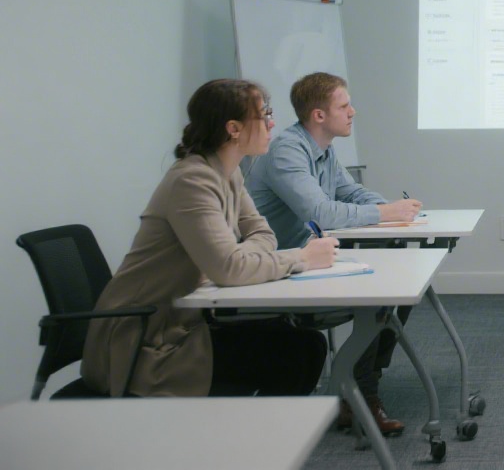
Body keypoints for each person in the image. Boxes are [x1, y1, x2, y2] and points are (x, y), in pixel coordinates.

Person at [82, 79, 339, 397]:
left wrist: (240, 259)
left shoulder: (228, 172)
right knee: (296, 352)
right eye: (264, 114)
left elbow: (261, 234)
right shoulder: (193, 180)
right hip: (145, 341)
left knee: (304, 342)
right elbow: (229, 269)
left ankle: (250, 441)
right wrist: (301, 258)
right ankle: (244, 442)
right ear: (233, 128)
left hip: (184, 324)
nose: (273, 122)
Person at [246, 71, 420, 436]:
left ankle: (360, 387)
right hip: (275, 270)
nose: (353, 111)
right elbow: (322, 213)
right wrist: (386, 214)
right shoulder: (287, 151)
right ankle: (361, 395)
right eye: (344, 105)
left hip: (307, 262)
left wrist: (391, 209)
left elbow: (352, 193)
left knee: (399, 275)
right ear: (318, 115)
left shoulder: (323, 149)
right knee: (380, 292)